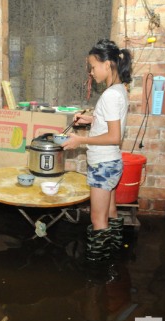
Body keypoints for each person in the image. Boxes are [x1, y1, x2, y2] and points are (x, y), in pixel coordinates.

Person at [61, 39, 132, 261]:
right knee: (110, 212)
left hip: (103, 164)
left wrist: (79, 140)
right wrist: (90, 119)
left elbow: (114, 136)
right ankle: (115, 254)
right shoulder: (120, 90)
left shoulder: (110, 95)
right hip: (112, 163)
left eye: (93, 66)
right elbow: (111, 122)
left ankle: (98, 268)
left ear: (107, 64)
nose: (91, 72)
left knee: (97, 218)